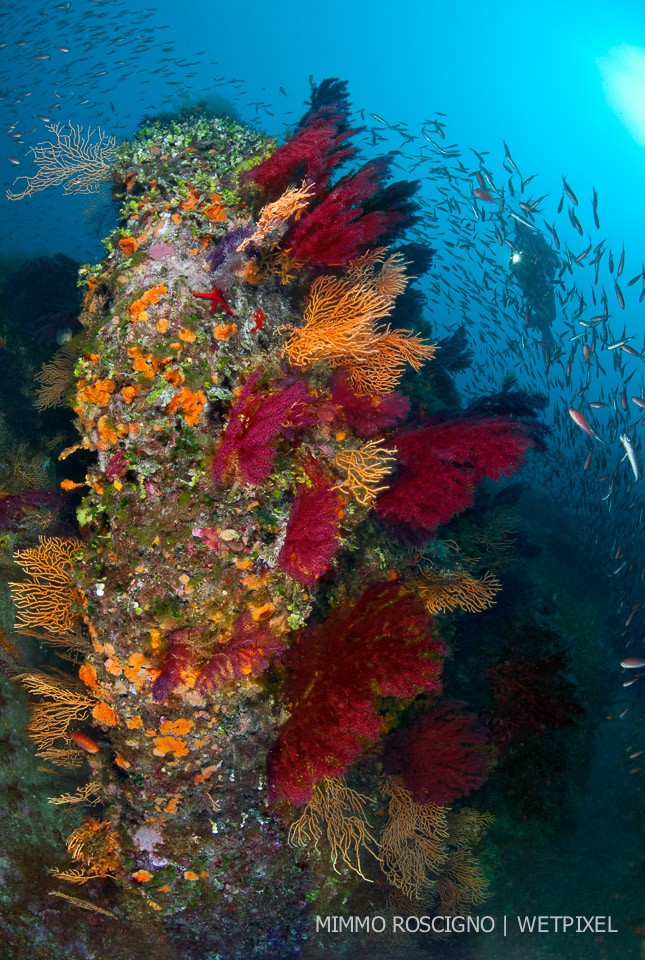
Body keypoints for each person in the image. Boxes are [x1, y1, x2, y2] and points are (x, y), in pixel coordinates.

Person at [509, 222, 558, 349]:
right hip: (529, 286)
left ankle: (537, 328)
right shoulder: (516, 246)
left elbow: (554, 259)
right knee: (548, 315)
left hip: (542, 282)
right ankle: (544, 338)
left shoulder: (537, 240)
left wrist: (545, 263)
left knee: (551, 315)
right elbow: (513, 267)